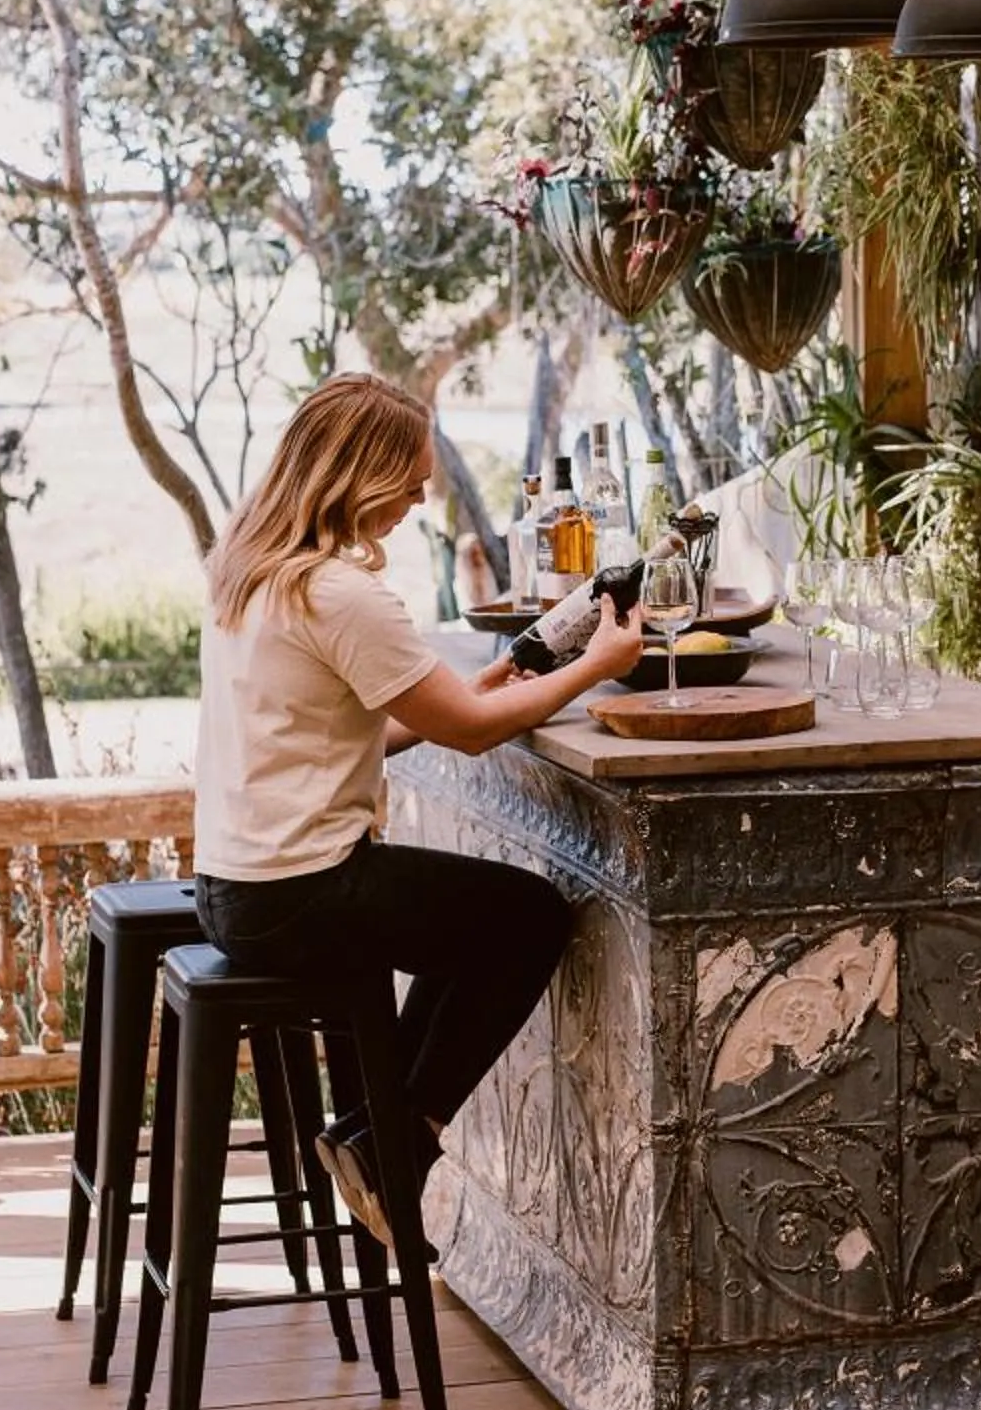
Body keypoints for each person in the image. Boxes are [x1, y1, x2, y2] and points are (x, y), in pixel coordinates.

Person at [191, 373, 646, 1249]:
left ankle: (374, 1135)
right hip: (302, 889)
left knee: (466, 918)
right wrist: (599, 661)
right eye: (407, 477)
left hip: (237, 887)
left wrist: (451, 702)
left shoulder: (250, 575)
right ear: (357, 475)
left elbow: (320, 731)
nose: (420, 494)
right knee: (526, 916)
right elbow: (473, 735)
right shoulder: (341, 593)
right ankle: (396, 1134)